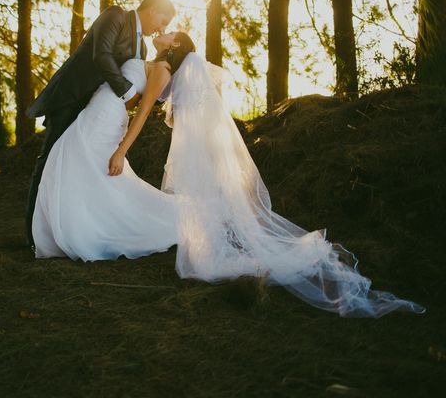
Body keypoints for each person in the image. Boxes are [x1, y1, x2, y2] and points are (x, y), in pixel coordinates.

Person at [32, 29, 425, 318]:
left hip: (115, 133)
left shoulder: (158, 71)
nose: (163, 33)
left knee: (169, 206)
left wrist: (120, 150)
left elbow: (144, 113)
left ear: (173, 47)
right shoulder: (158, 63)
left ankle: (193, 232)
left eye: (170, 32)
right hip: (111, 125)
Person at [25, 0, 176, 248]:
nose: (162, 28)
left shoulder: (144, 49)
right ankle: (33, 235)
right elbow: (101, 54)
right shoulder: (116, 15)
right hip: (70, 98)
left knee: (75, 169)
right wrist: (125, 89)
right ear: (152, 9)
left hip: (95, 113)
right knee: (50, 159)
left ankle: (67, 229)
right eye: (163, 19)